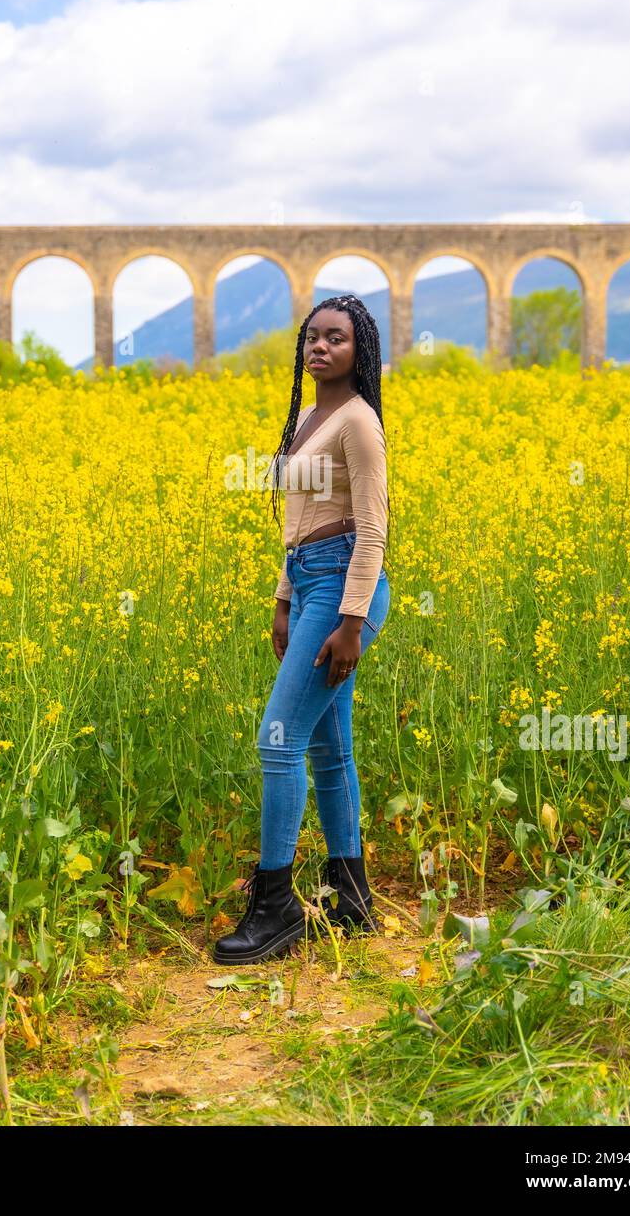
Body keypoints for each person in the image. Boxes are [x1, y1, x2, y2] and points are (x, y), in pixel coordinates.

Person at [213, 294, 391, 964]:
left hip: (346, 589)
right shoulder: (308, 419)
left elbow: (372, 530)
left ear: (360, 350)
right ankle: (354, 898)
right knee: (327, 752)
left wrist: (350, 621)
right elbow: (296, 526)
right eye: (312, 338)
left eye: (336, 338)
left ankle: (277, 906)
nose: (321, 347)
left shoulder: (358, 422)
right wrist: (282, 599)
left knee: (277, 741)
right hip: (310, 582)